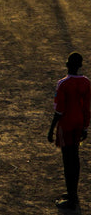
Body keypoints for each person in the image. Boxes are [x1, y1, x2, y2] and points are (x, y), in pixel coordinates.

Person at [49, 52, 91, 211]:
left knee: (68, 161)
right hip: (79, 123)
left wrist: (51, 129)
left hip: (66, 125)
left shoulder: (63, 84)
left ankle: (71, 198)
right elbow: (86, 108)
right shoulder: (86, 82)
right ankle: (74, 194)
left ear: (67, 64)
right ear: (80, 65)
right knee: (75, 158)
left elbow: (59, 110)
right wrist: (85, 127)